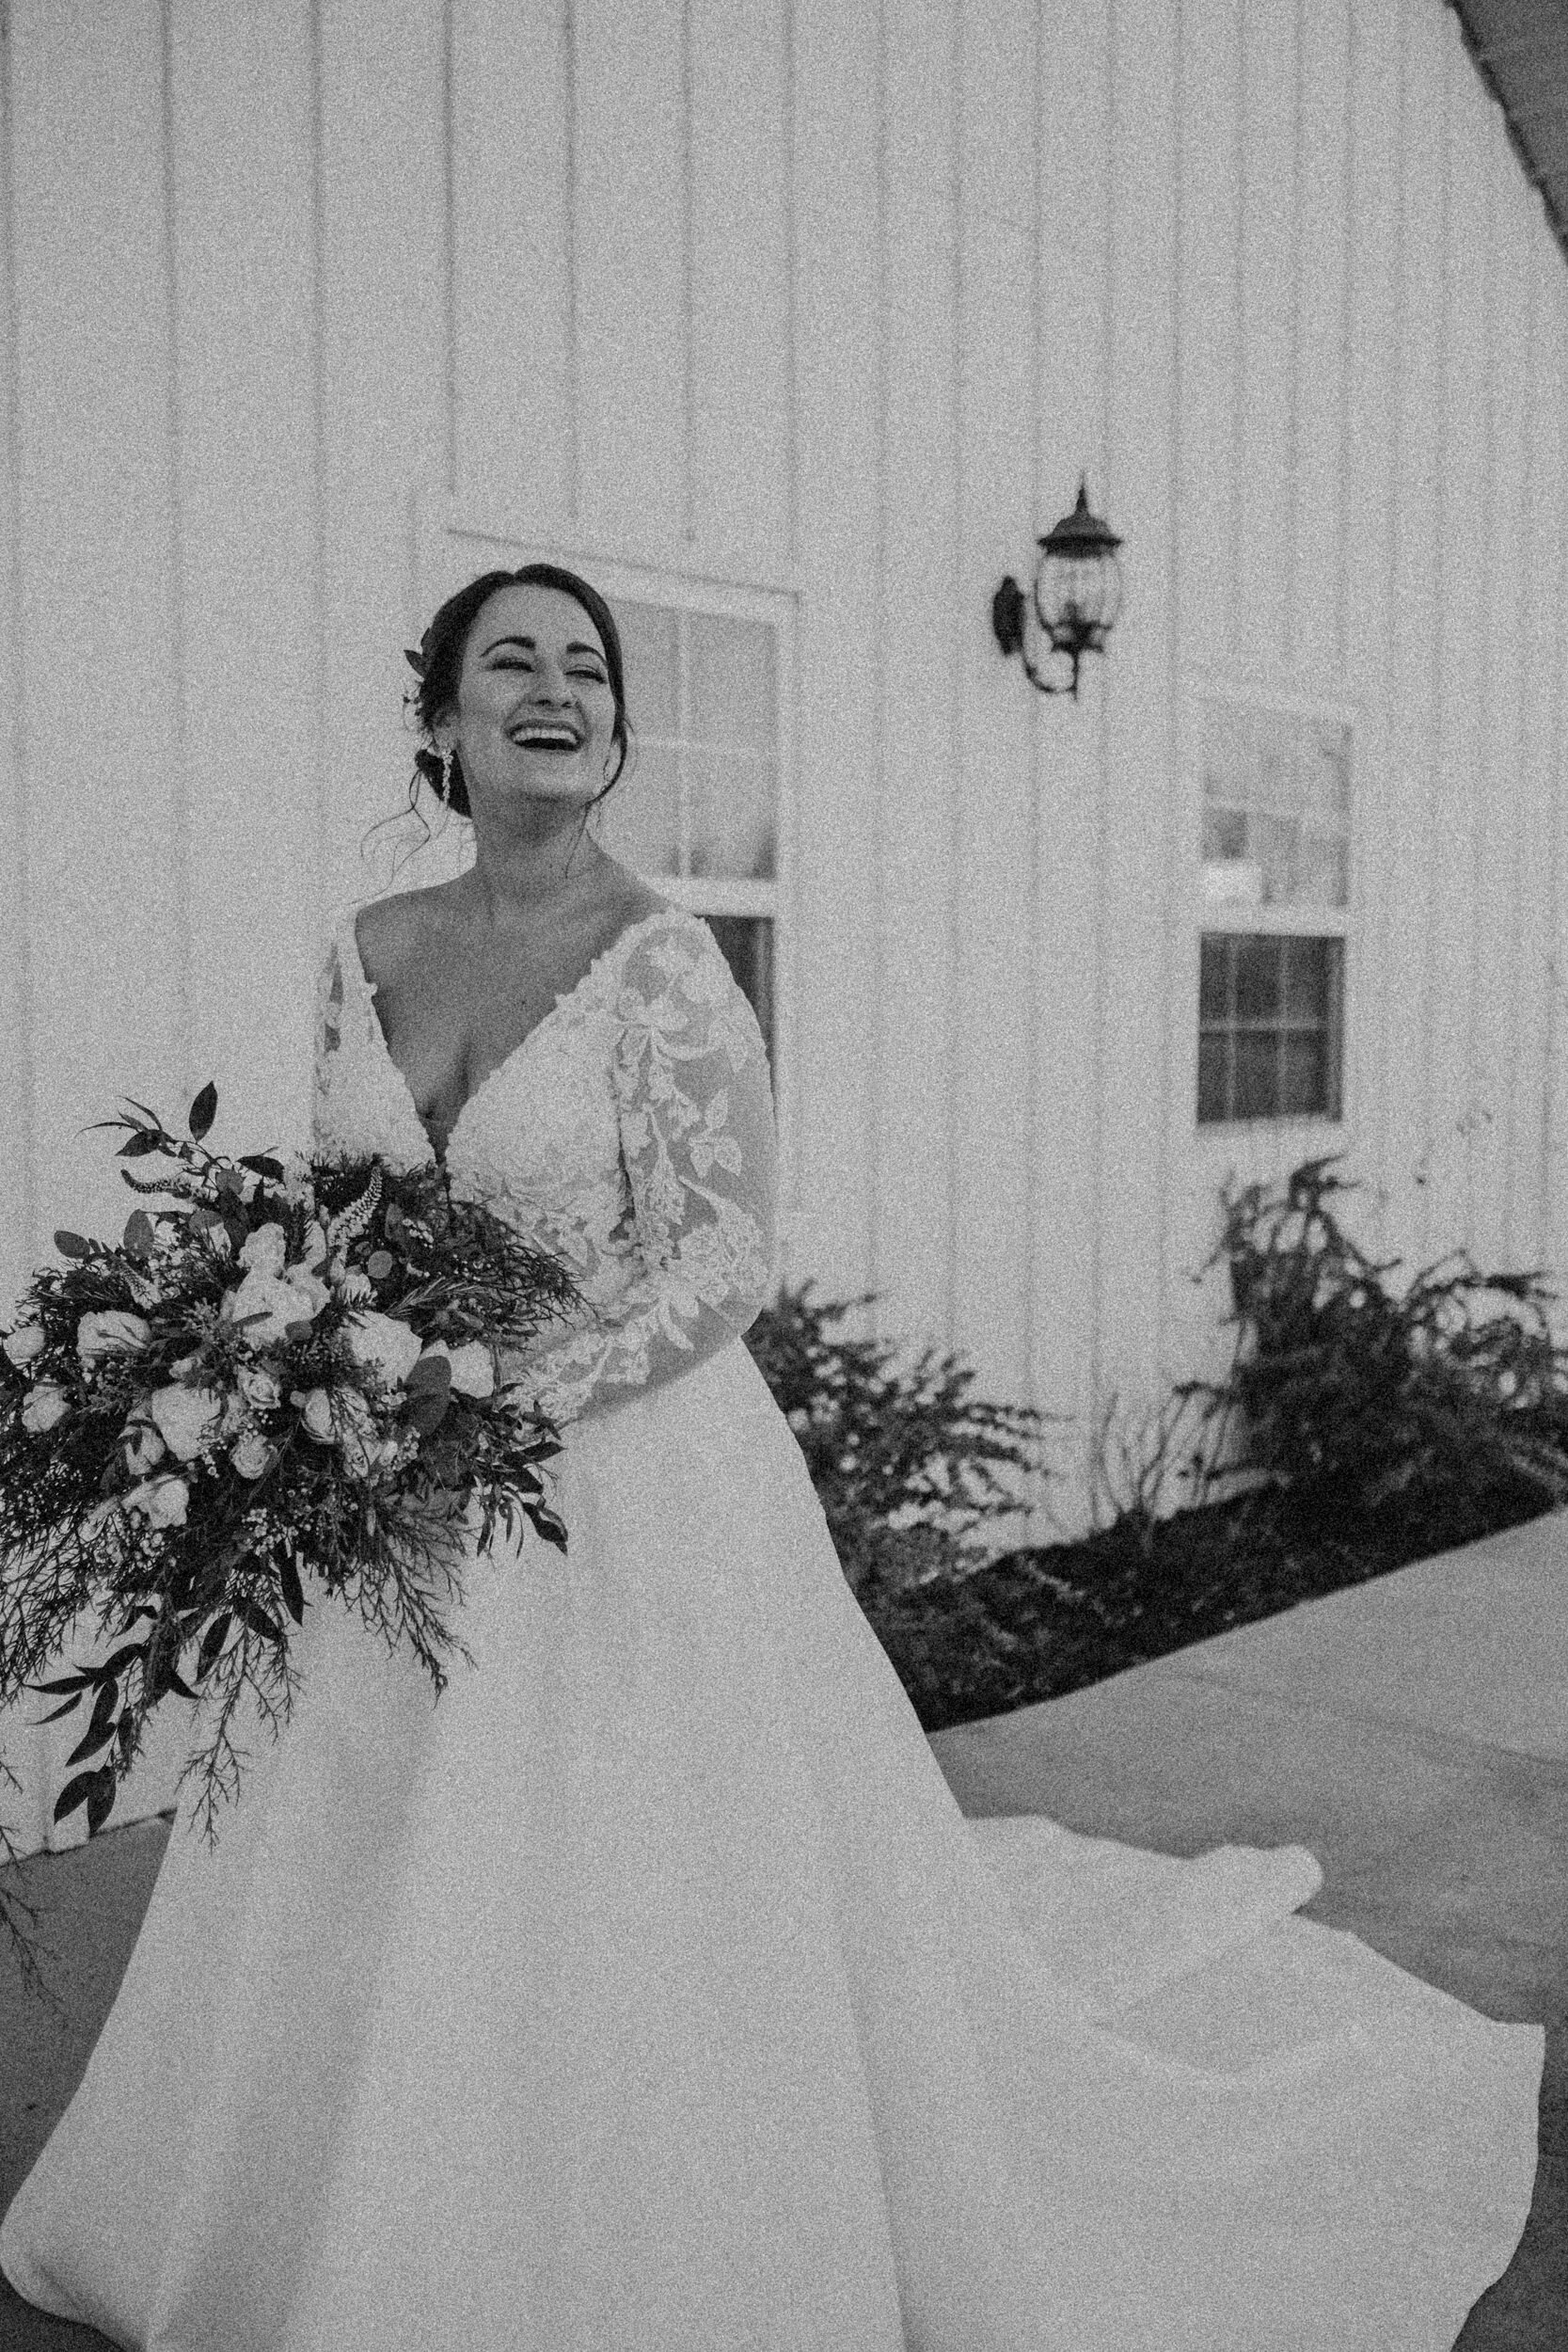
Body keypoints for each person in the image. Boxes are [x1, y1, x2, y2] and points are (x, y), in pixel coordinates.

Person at [0, 564, 1541, 2350]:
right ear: (441, 718)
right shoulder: (366, 948)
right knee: (365, 1865)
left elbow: (724, 1258)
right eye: (515, 661)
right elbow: (341, 1208)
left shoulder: (665, 965)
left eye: (589, 665)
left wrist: (487, 1409)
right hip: (391, 1504)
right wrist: (302, 1363)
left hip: (621, 1487)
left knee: (626, 1883)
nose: (558, 688)